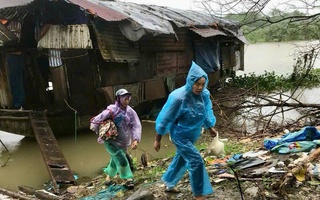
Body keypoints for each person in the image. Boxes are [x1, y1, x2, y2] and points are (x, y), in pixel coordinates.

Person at [154, 61, 218, 200]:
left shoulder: (204, 95)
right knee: (196, 160)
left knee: (182, 158)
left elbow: (205, 112)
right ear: (190, 81)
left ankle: (169, 183)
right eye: (197, 84)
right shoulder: (179, 98)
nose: (200, 87)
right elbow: (165, 118)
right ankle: (199, 194)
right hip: (180, 135)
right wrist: (157, 139)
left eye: (202, 84)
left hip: (193, 133)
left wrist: (210, 127)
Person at [90, 88, 142, 189]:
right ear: (118, 98)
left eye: (128, 97)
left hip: (124, 142)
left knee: (115, 160)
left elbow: (136, 125)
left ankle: (108, 179)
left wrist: (135, 139)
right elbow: (97, 120)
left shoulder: (130, 112)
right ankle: (128, 179)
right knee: (121, 159)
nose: (127, 98)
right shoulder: (111, 110)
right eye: (124, 97)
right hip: (111, 142)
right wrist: (100, 131)